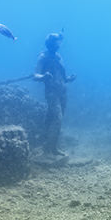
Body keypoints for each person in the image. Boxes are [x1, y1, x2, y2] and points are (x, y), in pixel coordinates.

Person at [32, 33, 77, 162]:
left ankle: (54, 148)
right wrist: (43, 76)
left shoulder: (58, 56)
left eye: (60, 42)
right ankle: (47, 150)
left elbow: (62, 77)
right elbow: (36, 75)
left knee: (57, 120)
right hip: (51, 92)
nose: (59, 45)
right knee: (57, 118)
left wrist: (69, 79)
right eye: (57, 42)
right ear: (51, 43)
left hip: (63, 91)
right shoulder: (43, 56)